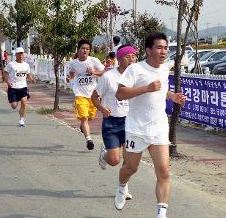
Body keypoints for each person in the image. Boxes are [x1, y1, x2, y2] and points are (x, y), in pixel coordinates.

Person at [114, 33, 186, 218]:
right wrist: (145, 88)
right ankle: (122, 187)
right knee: (130, 168)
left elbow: (161, 89)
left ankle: (161, 213)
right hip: (136, 129)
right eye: (159, 48)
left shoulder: (163, 69)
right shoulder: (135, 70)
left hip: (159, 128)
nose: (163, 52)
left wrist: (172, 96)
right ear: (148, 50)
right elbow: (120, 94)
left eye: (165, 48)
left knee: (164, 172)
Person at [91, 45, 137, 171]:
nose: (131, 59)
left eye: (133, 56)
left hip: (130, 122)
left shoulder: (138, 77)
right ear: (119, 58)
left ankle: (123, 189)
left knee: (129, 161)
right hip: (112, 122)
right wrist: (102, 109)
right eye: (127, 57)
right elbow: (94, 97)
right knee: (114, 160)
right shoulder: (108, 77)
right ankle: (105, 155)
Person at [66, 39, 105, 150]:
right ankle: (89, 140)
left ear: (90, 51)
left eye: (87, 49)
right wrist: (70, 77)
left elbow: (103, 72)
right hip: (80, 93)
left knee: (90, 117)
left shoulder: (94, 61)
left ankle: (83, 127)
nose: (85, 50)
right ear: (78, 50)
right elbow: (72, 73)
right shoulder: (73, 63)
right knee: (84, 118)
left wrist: (93, 72)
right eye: (83, 48)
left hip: (92, 94)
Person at [3, 47, 35, 127]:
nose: (21, 55)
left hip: (23, 87)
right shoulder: (11, 64)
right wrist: (8, 82)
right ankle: (10, 94)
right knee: (14, 106)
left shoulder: (26, 65)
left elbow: (28, 74)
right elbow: (5, 72)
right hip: (13, 87)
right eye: (19, 54)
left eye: (22, 53)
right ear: (16, 55)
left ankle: (21, 119)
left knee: (24, 102)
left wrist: (31, 79)